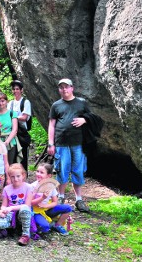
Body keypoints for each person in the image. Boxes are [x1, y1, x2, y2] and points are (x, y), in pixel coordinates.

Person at [48, 78, 92, 213]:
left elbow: (91, 118)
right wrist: (50, 143)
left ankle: (79, 199)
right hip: (61, 143)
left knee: (78, 170)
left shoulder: (82, 103)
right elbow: (52, 124)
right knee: (62, 169)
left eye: (66, 87)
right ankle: (60, 197)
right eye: (61, 87)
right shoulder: (56, 105)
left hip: (78, 143)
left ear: (72, 88)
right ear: (59, 90)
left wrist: (84, 119)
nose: (64, 90)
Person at [0, 163, 33, 246]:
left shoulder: (28, 187)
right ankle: (11, 228)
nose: (15, 179)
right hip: (10, 214)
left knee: (25, 209)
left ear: (23, 175)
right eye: (13, 176)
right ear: (10, 177)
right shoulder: (6, 188)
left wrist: (11, 208)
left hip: (22, 212)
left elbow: (27, 205)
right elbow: (4, 205)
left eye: (18, 176)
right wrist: (3, 211)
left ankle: (25, 235)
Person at [30, 163, 72, 236]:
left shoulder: (51, 186)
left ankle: (58, 225)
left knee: (68, 208)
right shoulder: (32, 186)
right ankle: (44, 224)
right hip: (37, 212)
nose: (38, 174)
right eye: (37, 171)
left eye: (42, 172)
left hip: (48, 209)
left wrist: (45, 206)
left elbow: (55, 202)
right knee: (45, 228)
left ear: (48, 176)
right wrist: (42, 198)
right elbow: (30, 202)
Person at [0, 91, 19, 164]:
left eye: (2, 101)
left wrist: (7, 142)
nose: (0, 103)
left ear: (6, 101)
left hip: (10, 142)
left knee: (9, 163)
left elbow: (14, 130)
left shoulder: (12, 113)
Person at [9, 80, 32, 170]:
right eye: (14, 89)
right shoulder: (10, 103)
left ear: (21, 90)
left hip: (22, 132)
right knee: (13, 155)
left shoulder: (25, 102)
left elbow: (25, 117)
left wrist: (14, 117)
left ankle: (24, 176)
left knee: (23, 155)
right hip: (12, 132)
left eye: (17, 89)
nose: (15, 91)